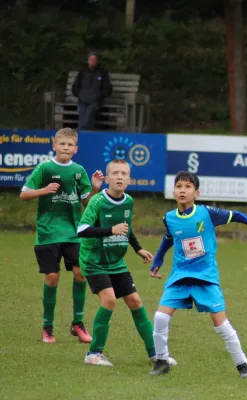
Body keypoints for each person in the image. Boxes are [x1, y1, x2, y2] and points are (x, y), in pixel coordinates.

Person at [148, 171, 247, 378]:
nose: (182, 190)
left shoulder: (207, 213)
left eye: (188, 187)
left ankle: (243, 366)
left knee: (221, 325)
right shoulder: (169, 218)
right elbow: (169, 237)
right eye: (179, 186)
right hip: (180, 276)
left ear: (196, 193)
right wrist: (159, 259)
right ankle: (162, 362)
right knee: (160, 317)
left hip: (205, 277)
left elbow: (239, 215)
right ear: (173, 191)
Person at [77, 159, 174, 367]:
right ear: (108, 178)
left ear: (130, 179)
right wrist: (110, 230)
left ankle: (155, 353)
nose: (119, 177)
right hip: (94, 261)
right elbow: (82, 229)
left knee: (136, 302)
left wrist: (137, 248)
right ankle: (93, 354)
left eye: (124, 174)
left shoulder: (128, 201)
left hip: (116, 262)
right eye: (115, 173)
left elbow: (126, 228)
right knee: (110, 300)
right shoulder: (97, 201)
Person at [20, 127, 103, 344]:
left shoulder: (78, 170)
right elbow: (24, 194)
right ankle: (47, 327)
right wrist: (43, 190)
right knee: (52, 277)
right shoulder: (44, 168)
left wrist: (94, 189)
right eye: (62, 144)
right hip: (48, 232)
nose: (65, 148)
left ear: (75, 149)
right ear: (54, 145)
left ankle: (78, 323)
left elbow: (87, 202)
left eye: (69, 145)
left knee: (80, 274)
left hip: (74, 233)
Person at [72, 51, 112, 130]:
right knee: (82, 113)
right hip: (82, 100)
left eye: (94, 60)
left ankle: (79, 131)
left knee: (89, 114)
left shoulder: (102, 73)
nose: (93, 61)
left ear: (97, 61)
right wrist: (80, 94)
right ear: (88, 61)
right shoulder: (83, 72)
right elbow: (75, 87)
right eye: (91, 59)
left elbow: (108, 89)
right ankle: (84, 130)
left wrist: (100, 95)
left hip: (96, 101)